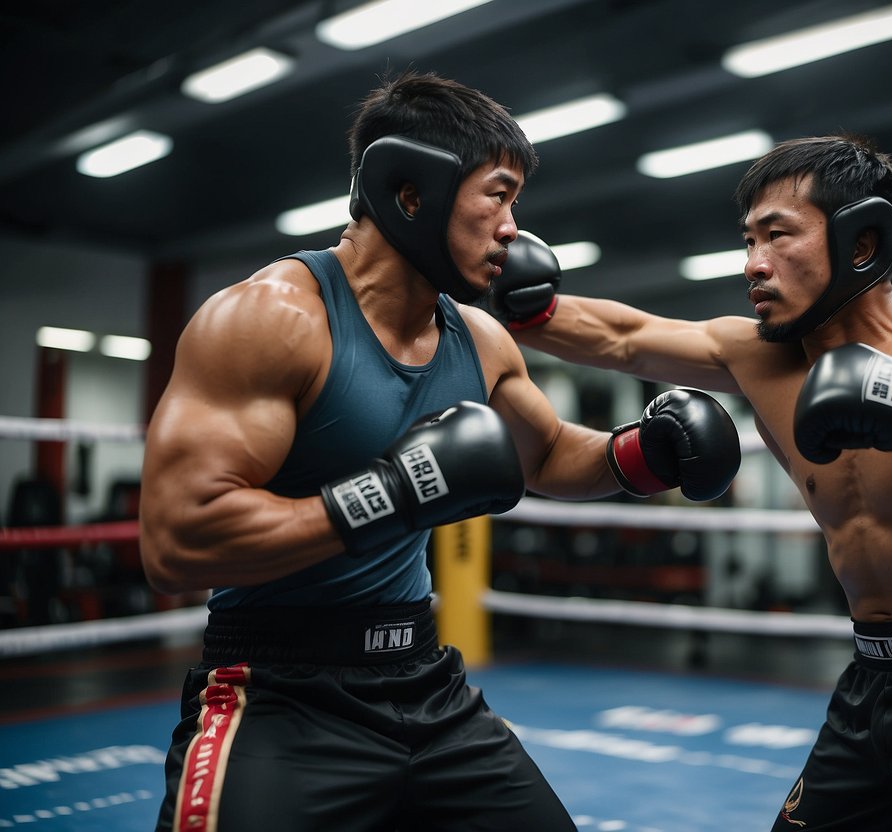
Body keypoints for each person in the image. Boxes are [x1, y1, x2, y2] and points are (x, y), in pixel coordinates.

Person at [138, 70, 741, 832]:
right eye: (497, 193)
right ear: (410, 191)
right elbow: (176, 543)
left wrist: (643, 455)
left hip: (424, 683)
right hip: (279, 691)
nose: (514, 226)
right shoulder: (270, 319)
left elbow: (547, 453)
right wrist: (393, 491)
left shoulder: (479, 337)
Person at [494, 134, 892, 831]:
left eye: (777, 237)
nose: (753, 265)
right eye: (747, 242)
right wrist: (528, 308)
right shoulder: (757, 357)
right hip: (871, 681)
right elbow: (625, 336)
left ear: (860, 242)